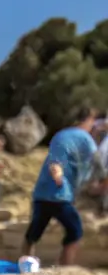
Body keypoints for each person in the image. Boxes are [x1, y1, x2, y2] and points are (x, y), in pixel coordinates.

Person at [23, 102, 101, 266]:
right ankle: (65, 268)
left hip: (41, 193)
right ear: (88, 120)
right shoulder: (85, 137)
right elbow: (97, 161)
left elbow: (56, 159)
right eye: (93, 121)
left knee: (33, 233)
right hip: (60, 194)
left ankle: (24, 266)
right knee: (75, 231)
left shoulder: (60, 135)